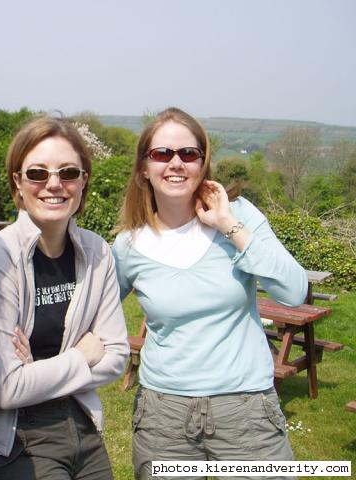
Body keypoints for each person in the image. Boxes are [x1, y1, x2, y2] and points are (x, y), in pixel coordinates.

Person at [112, 107, 308, 479]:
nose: (175, 163)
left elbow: (294, 291)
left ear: (202, 164)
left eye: (188, 153)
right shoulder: (129, 246)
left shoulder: (241, 217)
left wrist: (226, 223)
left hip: (246, 410)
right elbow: (95, 310)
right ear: (143, 168)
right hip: (163, 418)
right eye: (161, 154)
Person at [0, 116, 129, 479]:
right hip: (17, 434)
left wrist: (37, 371)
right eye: (38, 173)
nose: (53, 185)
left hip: (81, 422)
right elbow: (7, 389)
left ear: (83, 181)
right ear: (18, 182)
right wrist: (82, 355)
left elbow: (117, 355)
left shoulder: (97, 252)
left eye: (68, 173)